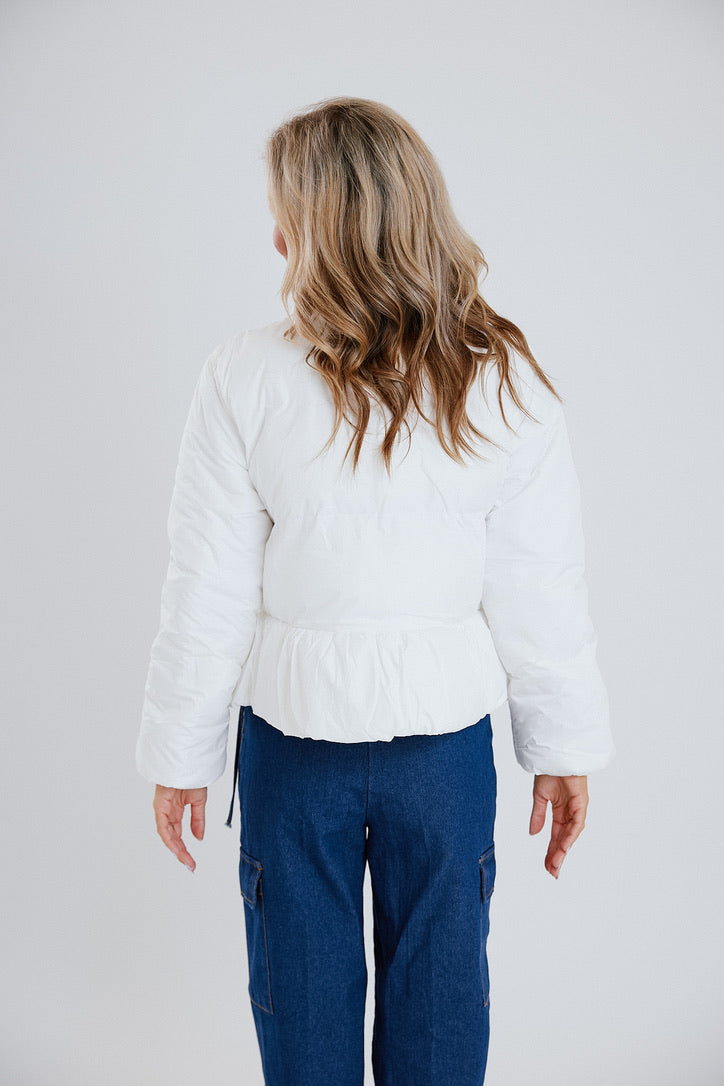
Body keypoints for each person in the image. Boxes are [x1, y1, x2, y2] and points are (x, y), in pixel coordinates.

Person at [136, 96, 615, 1085]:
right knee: (440, 1010)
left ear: (314, 229)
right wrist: (561, 747)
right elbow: (541, 588)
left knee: (303, 1006)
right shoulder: (501, 379)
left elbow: (206, 589)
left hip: (297, 751)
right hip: (437, 758)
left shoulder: (243, 377)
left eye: (282, 215)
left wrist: (182, 754)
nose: (272, 237)